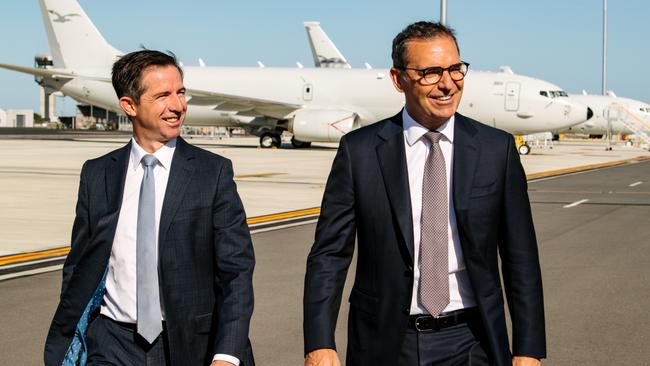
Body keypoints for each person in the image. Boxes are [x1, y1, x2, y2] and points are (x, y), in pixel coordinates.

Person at [303, 21, 545, 366]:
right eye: (431, 72)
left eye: (455, 69)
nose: (447, 84)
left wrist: (528, 349)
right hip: (385, 342)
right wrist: (319, 342)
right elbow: (329, 255)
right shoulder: (360, 152)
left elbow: (520, 256)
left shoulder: (496, 150)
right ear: (398, 79)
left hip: (472, 341)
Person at [44, 50, 255, 366]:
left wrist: (226, 354)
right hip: (111, 342)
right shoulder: (97, 173)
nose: (178, 105)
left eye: (180, 92)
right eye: (162, 96)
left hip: (188, 345)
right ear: (129, 105)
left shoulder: (212, 173)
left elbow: (236, 271)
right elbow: (80, 263)